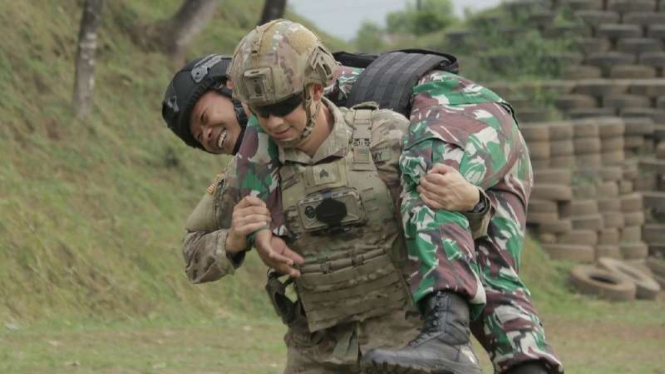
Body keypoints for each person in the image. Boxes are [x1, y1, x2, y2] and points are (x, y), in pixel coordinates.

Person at [230, 21, 563, 374]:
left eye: (209, 123)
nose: (271, 121)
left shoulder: (284, 72)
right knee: (489, 271)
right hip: (492, 142)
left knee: (428, 179)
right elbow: (253, 166)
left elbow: (252, 152)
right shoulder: (273, 93)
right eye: (260, 111)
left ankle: (446, 335)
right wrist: (260, 232)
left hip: (466, 113)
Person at [160, 50, 489, 373]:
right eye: (197, 137)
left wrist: (474, 202)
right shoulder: (242, 177)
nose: (206, 134)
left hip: (407, 343)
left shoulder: (382, 133)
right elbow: (193, 254)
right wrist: (232, 240)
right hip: (319, 352)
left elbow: (453, 216)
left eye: (204, 119)